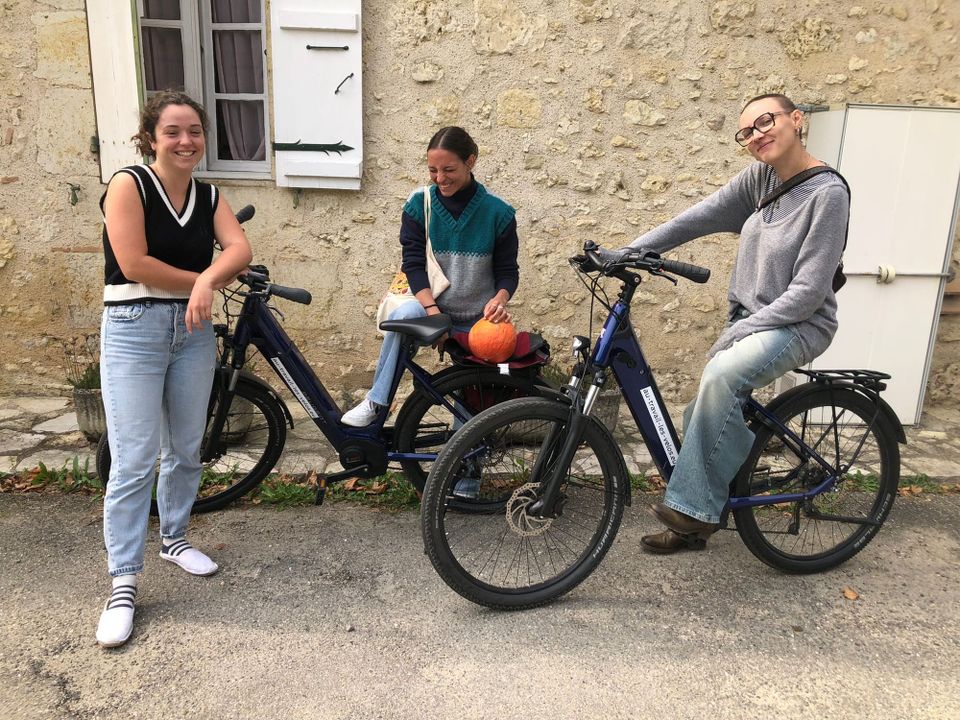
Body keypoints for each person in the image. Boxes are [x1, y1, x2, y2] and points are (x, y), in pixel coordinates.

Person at [601, 93, 850, 554]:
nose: (757, 135)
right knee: (704, 408)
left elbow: (809, 292)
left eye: (766, 122)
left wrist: (743, 329)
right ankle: (695, 523)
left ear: (797, 120)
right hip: (755, 319)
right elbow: (695, 218)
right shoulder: (761, 180)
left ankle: (692, 510)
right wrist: (628, 251)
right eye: (748, 132)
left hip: (801, 323)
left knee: (721, 374)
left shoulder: (828, 194)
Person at [95, 91, 253, 647]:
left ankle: (176, 538)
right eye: (173, 131)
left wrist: (210, 279)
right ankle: (123, 582)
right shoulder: (128, 185)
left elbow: (239, 249)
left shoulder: (209, 194)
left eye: (195, 131)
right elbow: (133, 261)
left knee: (186, 447)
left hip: (192, 331)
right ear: (151, 138)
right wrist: (206, 279)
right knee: (134, 460)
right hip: (134, 327)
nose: (186, 141)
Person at [342, 126, 520, 436]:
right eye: (433, 170)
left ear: (471, 162)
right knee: (400, 317)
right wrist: (434, 313)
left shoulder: (498, 213)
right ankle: (376, 402)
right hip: (430, 308)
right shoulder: (418, 204)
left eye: (449, 169)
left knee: (471, 394)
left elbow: (508, 271)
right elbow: (412, 264)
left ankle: (465, 473)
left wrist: (499, 299)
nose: (440, 178)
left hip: (478, 321)